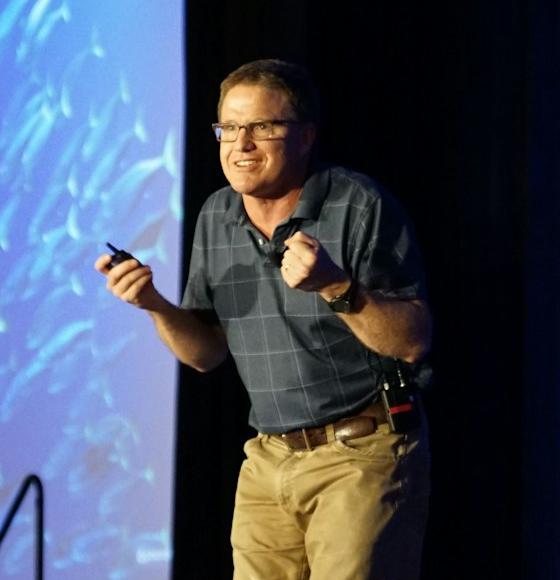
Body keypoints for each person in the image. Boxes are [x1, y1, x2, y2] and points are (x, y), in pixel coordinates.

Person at [94, 59, 432, 580]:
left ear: (304, 137)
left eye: (263, 127)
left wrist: (336, 286)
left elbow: (411, 342)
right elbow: (205, 353)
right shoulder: (217, 215)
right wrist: (155, 304)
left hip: (360, 453)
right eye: (228, 128)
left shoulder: (359, 206)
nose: (240, 144)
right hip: (268, 458)